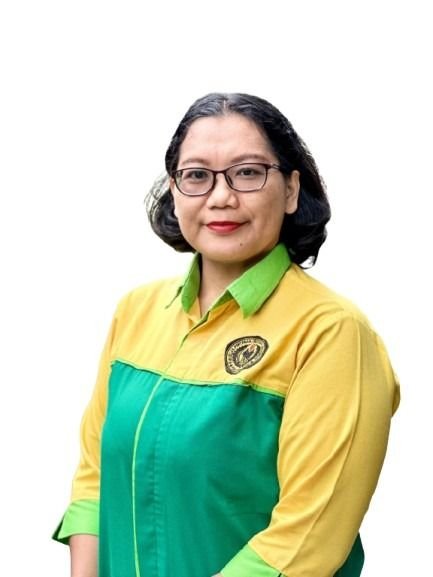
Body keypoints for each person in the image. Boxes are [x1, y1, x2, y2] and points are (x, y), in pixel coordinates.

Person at [53, 92, 400, 577]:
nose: (221, 197)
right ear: (174, 191)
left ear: (292, 190)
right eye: (197, 175)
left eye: (248, 172)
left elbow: (306, 540)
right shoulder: (135, 312)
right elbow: (94, 481)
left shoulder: (331, 333)